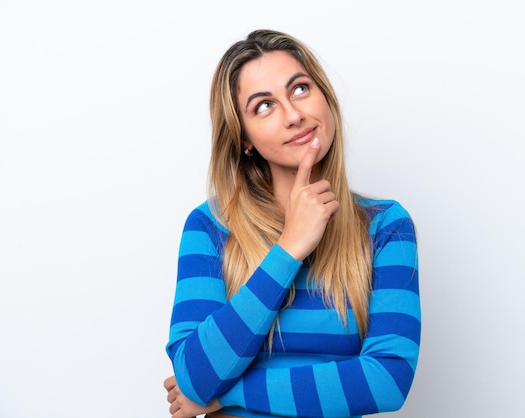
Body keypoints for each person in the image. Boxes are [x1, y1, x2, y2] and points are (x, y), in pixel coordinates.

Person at [163, 29, 420, 418]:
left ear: (326, 100)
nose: (294, 114)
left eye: (300, 89)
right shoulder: (210, 227)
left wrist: (228, 395)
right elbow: (194, 376)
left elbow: (387, 380)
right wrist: (289, 248)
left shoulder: (385, 226)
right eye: (263, 106)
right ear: (244, 137)